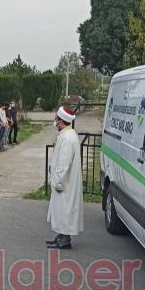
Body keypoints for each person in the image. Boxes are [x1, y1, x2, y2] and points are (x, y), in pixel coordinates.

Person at [47, 107, 84, 249]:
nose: (54, 121)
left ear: (61, 121)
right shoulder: (67, 134)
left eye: (56, 119)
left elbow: (64, 163)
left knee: (65, 210)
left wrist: (57, 181)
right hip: (64, 182)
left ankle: (64, 240)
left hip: (64, 183)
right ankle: (61, 236)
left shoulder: (67, 138)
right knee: (61, 210)